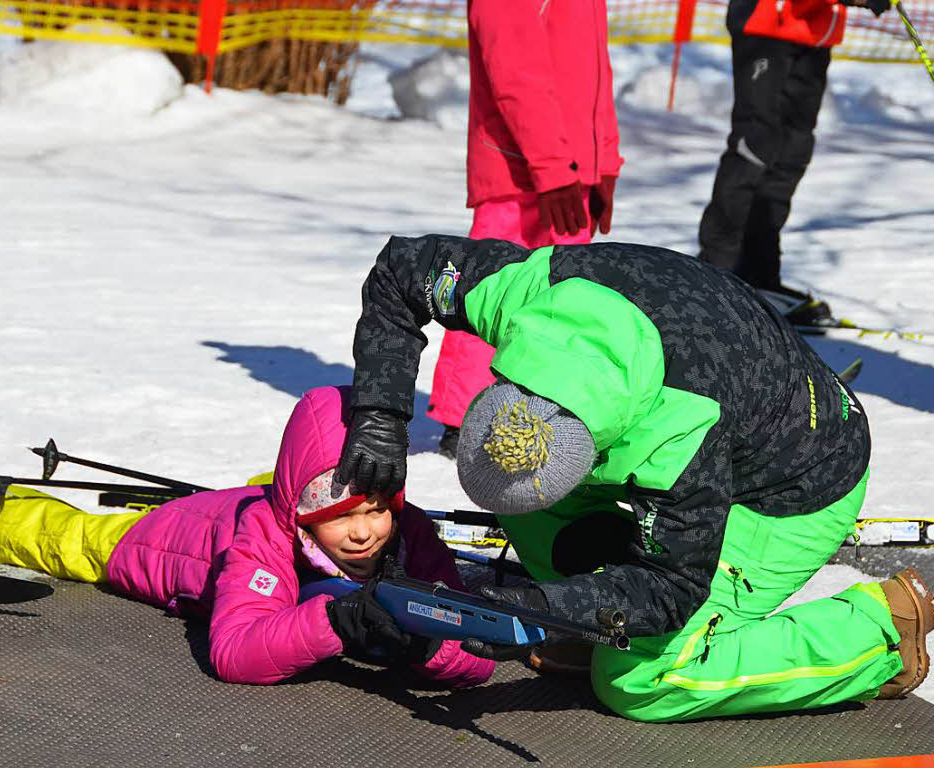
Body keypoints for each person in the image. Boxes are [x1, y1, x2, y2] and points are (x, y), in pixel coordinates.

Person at [335, 234, 933, 722]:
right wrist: (379, 416)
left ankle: (876, 630)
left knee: (644, 682)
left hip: (794, 485)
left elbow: (672, 585)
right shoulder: (525, 296)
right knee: (526, 501)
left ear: (594, 455)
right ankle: (590, 622)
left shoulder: (684, 433)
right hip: (725, 390)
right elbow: (400, 271)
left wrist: (555, 603)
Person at [0, 385, 493, 688]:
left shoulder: (408, 531)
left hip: (252, 503)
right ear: (301, 509)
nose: (365, 533)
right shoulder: (264, 535)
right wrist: (337, 624)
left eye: (377, 510)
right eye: (341, 515)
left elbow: (476, 657)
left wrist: (421, 645)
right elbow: (234, 652)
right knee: (69, 539)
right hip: (168, 541)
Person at [428, 0, 623, 458]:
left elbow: (595, 72)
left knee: (561, 298)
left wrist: (603, 162)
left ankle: (543, 406)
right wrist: (553, 169)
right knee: (490, 289)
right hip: (520, 171)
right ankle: (466, 415)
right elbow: (514, 72)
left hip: (570, 171)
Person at [697, 0, 889, 324]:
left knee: (793, 152)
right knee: (754, 147)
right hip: (768, 21)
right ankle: (713, 275)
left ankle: (759, 275)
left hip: (815, 29)